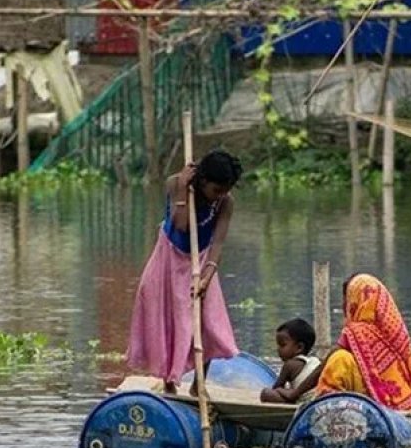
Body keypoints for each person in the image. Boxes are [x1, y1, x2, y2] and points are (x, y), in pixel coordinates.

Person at [126, 150, 242, 393]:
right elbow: (182, 225)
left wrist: (208, 276)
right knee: (169, 317)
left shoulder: (226, 202)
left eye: (225, 190)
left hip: (201, 261)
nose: (220, 196)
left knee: (207, 321)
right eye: (216, 190)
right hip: (169, 258)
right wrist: (181, 188)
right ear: (202, 181)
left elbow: (218, 242)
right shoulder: (176, 184)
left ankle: (199, 384)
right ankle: (170, 382)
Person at [314, 273, 411, 412]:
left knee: (339, 359)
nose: (344, 305)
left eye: (347, 299)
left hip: (380, 406)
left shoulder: (357, 331)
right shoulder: (393, 332)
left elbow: (332, 356)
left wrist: (296, 392)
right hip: (407, 404)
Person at [260, 318, 322, 403]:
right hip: (320, 399)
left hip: (304, 401)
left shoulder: (290, 365)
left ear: (299, 347)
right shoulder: (315, 360)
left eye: (282, 345)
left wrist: (282, 390)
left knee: (266, 393)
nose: (278, 349)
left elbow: (276, 388)